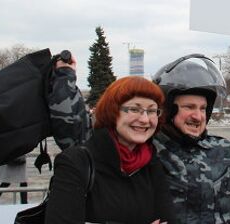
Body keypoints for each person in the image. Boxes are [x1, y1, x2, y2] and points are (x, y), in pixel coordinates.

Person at [45, 73, 174, 223]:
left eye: (152, 111)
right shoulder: (75, 163)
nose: (145, 119)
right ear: (113, 111)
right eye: (134, 109)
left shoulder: (152, 162)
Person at [152, 54, 230, 224]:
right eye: (189, 107)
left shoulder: (223, 151)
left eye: (203, 108)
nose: (198, 116)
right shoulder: (146, 153)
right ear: (166, 110)